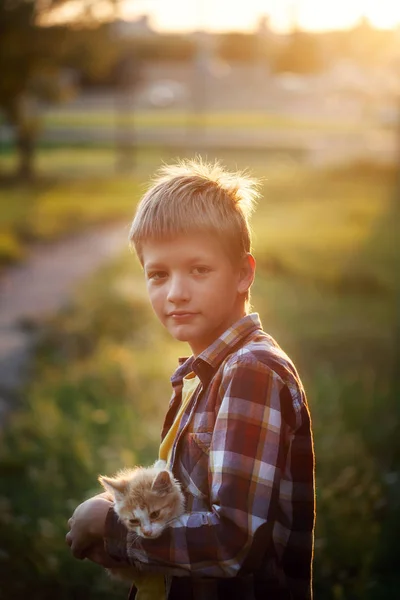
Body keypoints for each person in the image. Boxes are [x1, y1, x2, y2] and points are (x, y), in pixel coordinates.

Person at [66, 158, 315, 599]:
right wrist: (120, 508)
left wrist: (107, 527)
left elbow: (233, 542)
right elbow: (192, 506)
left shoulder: (250, 371)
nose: (176, 292)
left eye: (199, 269)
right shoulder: (208, 372)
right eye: (158, 274)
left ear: (244, 273)